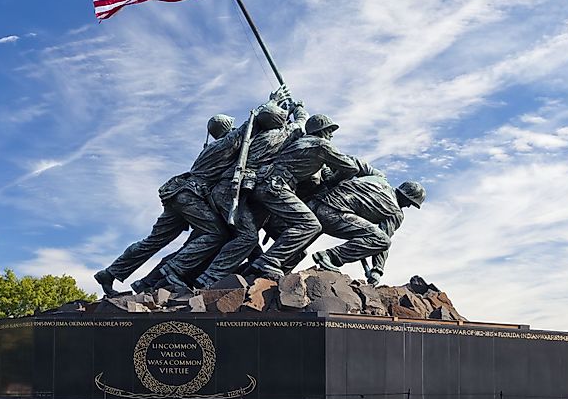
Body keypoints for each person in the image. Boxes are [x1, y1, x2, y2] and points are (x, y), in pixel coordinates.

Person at [163, 95, 307, 288]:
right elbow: (300, 122)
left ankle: (232, 273)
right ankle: (205, 277)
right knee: (246, 237)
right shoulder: (278, 135)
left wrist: (273, 105)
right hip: (229, 192)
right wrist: (297, 107)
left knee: (240, 236)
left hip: (223, 191)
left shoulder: (255, 138)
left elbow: (259, 120)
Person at [93, 114, 241, 297]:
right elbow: (252, 126)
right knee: (217, 234)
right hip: (190, 197)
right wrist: (275, 103)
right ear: (227, 127)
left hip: (179, 195)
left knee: (153, 241)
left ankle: (110, 273)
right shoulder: (223, 144)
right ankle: (173, 270)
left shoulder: (212, 146)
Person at [248, 114, 359, 279]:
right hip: (275, 186)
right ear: (321, 131)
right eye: (329, 131)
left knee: (298, 250)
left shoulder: (300, 141)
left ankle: (252, 273)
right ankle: (268, 261)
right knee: (310, 225)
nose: (332, 135)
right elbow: (352, 168)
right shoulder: (321, 145)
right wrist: (331, 181)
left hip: (266, 184)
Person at [310, 178, 425, 285]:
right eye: (411, 202)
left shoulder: (379, 180)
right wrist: (377, 270)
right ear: (406, 196)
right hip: (332, 215)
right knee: (382, 240)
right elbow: (383, 240)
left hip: (314, 205)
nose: (409, 206)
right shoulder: (395, 212)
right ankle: (329, 256)